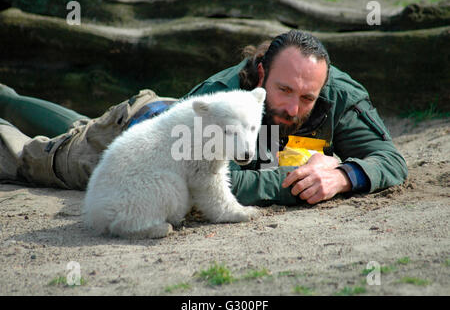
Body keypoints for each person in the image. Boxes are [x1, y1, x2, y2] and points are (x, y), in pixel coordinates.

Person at [0, 30, 408, 206]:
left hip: (163, 116)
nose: (293, 109)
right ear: (262, 73)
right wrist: (301, 181)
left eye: (307, 97)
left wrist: (344, 176)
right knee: (31, 158)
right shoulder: (221, 96)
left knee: (78, 126)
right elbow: (211, 183)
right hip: (142, 145)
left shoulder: (338, 94)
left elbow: (389, 159)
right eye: (284, 91)